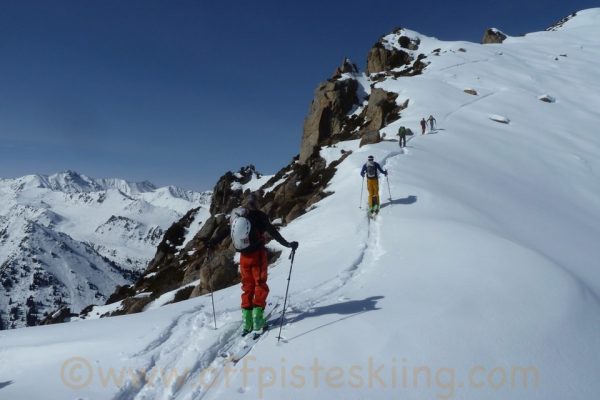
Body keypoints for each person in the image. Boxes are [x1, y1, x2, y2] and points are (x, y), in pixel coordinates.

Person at [231, 194, 298, 335]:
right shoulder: (261, 216)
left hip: (243, 257)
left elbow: (229, 230)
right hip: (258, 256)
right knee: (259, 285)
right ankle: (257, 319)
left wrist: (211, 242)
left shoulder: (240, 216)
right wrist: (288, 244)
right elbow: (273, 232)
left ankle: (247, 321)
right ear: (257, 203)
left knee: (247, 286)